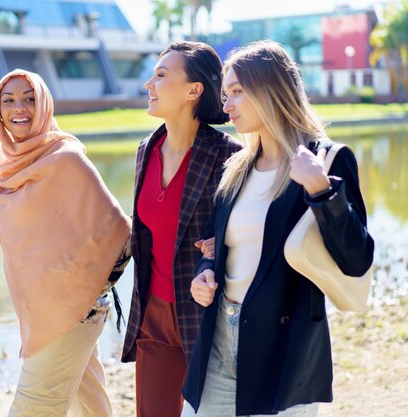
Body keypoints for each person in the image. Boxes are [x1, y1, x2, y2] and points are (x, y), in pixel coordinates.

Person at [182, 40, 375, 417]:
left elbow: (357, 257)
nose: (226, 104)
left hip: (286, 347)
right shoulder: (236, 169)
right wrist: (203, 275)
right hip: (220, 335)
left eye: (237, 91)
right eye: (225, 94)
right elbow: (215, 247)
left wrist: (321, 190)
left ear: (271, 88)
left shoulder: (326, 161)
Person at [0, 69, 131, 417]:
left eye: (29, 98)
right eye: (8, 101)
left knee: (31, 408)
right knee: (91, 404)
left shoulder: (66, 158)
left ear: (44, 105)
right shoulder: (10, 169)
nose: (18, 108)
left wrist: (83, 288)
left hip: (74, 314)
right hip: (42, 315)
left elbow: (117, 230)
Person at [121, 41, 241, 417]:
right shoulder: (146, 149)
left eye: (160, 75)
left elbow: (247, 233)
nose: (148, 85)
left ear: (194, 90)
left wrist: (221, 244)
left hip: (205, 317)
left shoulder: (229, 156)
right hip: (152, 316)